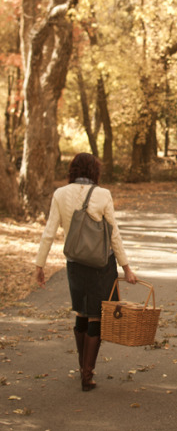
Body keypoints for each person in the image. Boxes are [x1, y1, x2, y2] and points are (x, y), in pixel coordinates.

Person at [35, 153, 137, 391]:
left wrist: (39, 265)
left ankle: (83, 368)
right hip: (102, 264)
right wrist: (126, 267)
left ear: (72, 170)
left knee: (81, 312)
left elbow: (49, 231)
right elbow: (113, 234)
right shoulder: (103, 194)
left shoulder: (60, 194)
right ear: (95, 171)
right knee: (97, 315)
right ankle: (87, 375)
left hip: (75, 262)